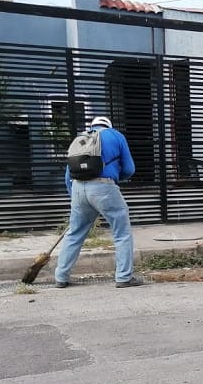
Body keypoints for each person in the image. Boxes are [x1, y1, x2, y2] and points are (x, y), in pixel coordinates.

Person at [54, 116, 143, 288]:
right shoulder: (116, 136)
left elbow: (68, 175)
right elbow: (129, 169)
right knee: (122, 232)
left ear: (92, 126)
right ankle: (124, 277)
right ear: (108, 125)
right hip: (104, 187)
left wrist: (74, 197)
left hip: (78, 189)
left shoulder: (80, 138)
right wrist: (114, 180)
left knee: (74, 233)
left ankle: (61, 277)